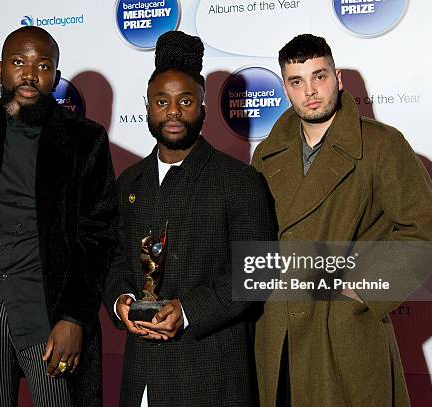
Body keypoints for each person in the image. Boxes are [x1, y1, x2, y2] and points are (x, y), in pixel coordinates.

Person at [252, 34, 432, 406]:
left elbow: (423, 232)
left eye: (319, 76)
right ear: (285, 90)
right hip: (278, 334)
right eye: (297, 81)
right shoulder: (266, 153)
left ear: (338, 78)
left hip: (342, 332)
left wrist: (365, 288)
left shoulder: (381, 145)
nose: (310, 91)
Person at [0, 26, 116, 407]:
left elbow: (97, 238)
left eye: (43, 66)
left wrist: (74, 319)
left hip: (49, 320)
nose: (29, 76)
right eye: (18, 63)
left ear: (56, 78)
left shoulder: (85, 140)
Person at [103, 31, 276, 407]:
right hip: (141, 377)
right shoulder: (130, 182)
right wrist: (122, 301)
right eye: (162, 101)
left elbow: (258, 271)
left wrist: (188, 311)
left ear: (203, 108)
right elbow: (114, 258)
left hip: (210, 373)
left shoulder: (239, 180)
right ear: (147, 108)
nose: (173, 112)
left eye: (185, 101)